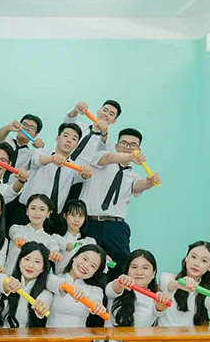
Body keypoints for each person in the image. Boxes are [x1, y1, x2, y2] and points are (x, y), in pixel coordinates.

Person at [81, 128, 160, 278]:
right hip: (90, 223)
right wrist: (130, 156)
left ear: (139, 149)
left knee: (120, 268)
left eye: (133, 145)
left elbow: (138, 186)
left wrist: (149, 182)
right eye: (124, 143)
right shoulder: (102, 158)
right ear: (116, 145)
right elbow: (108, 157)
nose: (128, 147)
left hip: (116, 227)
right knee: (86, 263)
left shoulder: (133, 175)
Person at [18, 122, 92, 229]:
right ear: (57, 138)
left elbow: (82, 176)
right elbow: (38, 160)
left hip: (53, 217)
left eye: (74, 139)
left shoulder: (74, 167)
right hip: (27, 210)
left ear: (76, 145)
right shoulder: (41, 152)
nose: (69, 140)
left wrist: (86, 171)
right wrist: (52, 159)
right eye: (66, 136)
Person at [63, 99, 120, 205]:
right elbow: (67, 123)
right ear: (98, 111)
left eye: (111, 114)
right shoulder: (80, 127)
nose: (106, 114)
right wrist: (76, 109)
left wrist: (104, 132)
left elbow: (104, 156)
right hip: (62, 166)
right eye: (105, 110)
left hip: (79, 178)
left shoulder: (106, 144)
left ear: (113, 121)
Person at [5, 194, 62, 276]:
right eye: (33, 208)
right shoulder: (17, 228)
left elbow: (53, 247)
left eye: (42, 209)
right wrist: (18, 239)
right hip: (8, 279)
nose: (37, 213)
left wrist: (55, 253)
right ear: (27, 211)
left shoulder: (49, 239)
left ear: (48, 214)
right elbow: (15, 235)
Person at [54, 199, 94, 272]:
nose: (77, 220)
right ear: (65, 216)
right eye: (73, 215)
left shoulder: (90, 241)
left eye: (81, 216)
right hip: (60, 277)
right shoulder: (56, 237)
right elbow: (67, 246)